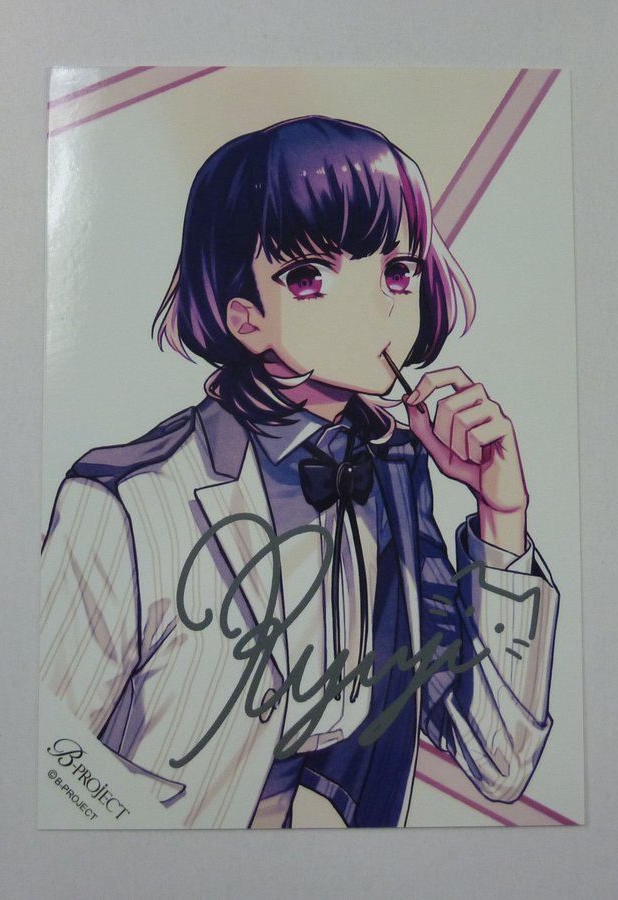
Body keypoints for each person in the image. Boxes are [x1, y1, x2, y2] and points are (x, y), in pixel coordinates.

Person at [39, 115, 560, 828]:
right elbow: (45, 760)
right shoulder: (127, 502)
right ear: (245, 317)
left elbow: (499, 761)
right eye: (310, 276)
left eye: (397, 271)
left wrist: (502, 519)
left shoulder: (395, 474)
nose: (374, 308)